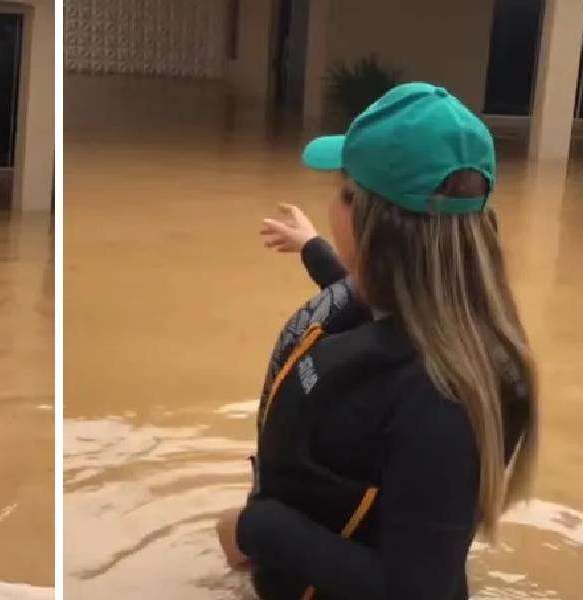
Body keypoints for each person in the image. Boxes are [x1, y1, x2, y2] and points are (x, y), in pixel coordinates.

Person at [214, 82, 538, 599]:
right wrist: (312, 248)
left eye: (343, 188)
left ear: (366, 219)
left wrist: (261, 528)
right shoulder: (426, 322)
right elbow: (365, 299)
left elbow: (416, 591)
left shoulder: (441, 401)